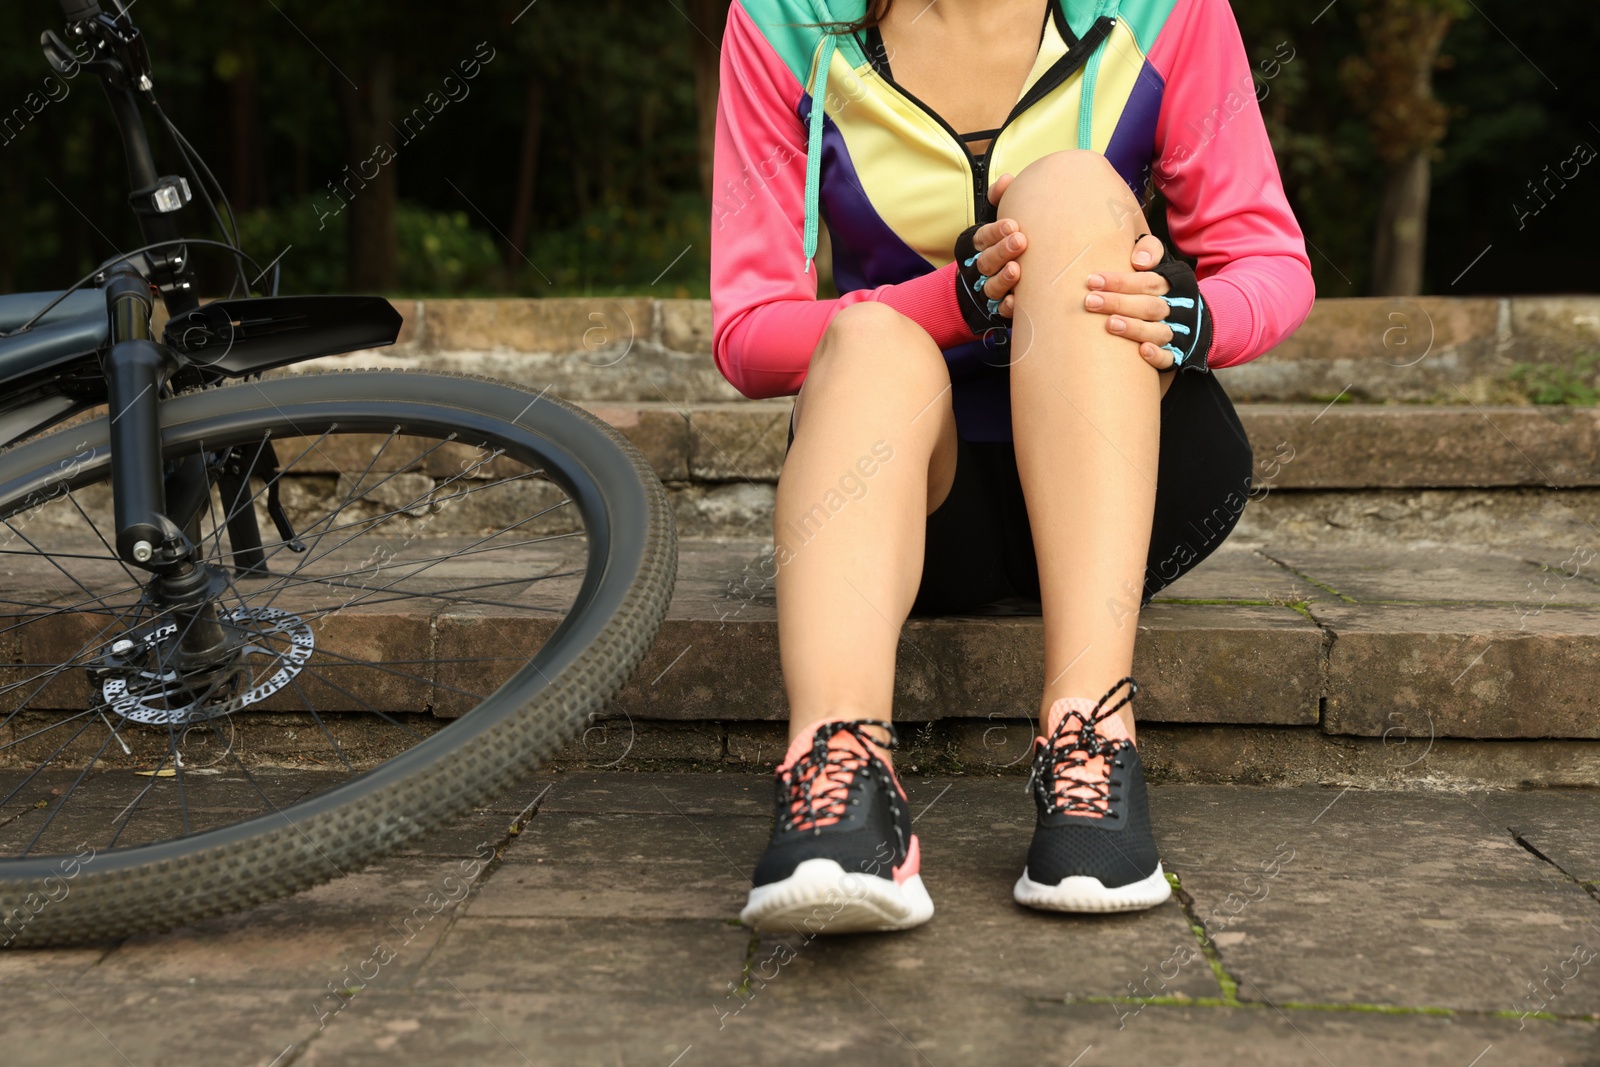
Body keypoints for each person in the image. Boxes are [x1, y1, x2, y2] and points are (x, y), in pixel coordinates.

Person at [709, 0, 1314, 932]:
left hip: (1131, 487)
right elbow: (747, 332)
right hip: (911, 497)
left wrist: (1198, 319)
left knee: (1072, 189)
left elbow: (1268, 257)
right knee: (868, 336)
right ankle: (842, 776)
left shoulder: (1169, 10)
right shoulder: (783, 21)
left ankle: (1092, 740)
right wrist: (951, 302)